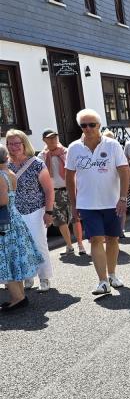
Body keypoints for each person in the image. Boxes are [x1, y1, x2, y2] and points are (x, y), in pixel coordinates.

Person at [65, 108, 130, 296]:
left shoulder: (112, 145)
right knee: (95, 239)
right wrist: (74, 204)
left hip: (112, 202)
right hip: (87, 204)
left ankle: (112, 274)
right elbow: (69, 178)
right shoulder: (74, 148)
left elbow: (124, 172)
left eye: (92, 125)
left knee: (112, 239)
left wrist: (123, 198)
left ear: (99, 125)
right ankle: (103, 282)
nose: (88, 128)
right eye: (83, 125)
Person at [6, 129, 54, 292]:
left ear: (24, 143)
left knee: (39, 244)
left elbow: (49, 190)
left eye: (17, 143)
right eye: (10, 144)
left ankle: (44, 278)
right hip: (13, 212)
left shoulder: (36, 164)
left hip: (35, 210)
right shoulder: (5, 165)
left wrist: (49, 212)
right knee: (20, 245)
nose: (14, 147)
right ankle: (27, 276)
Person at [0, 145, 44, 312]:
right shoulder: (10, 173)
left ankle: (17, 298)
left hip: (4, 220)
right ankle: (19, 296)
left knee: (7, 258)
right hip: (14, 218)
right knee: (14, 258)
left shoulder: (0, 176)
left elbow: (2, 201)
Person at [39, 128, 86, 255]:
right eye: (49, 138)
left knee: (75, 217)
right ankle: (69, 245)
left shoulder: (66, 151)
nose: (53, 140)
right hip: (54, 192)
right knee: (60, 220)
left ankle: (80, 245)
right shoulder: (42, 156)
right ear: (44, 140)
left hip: (71, 189)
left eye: (55, 137)